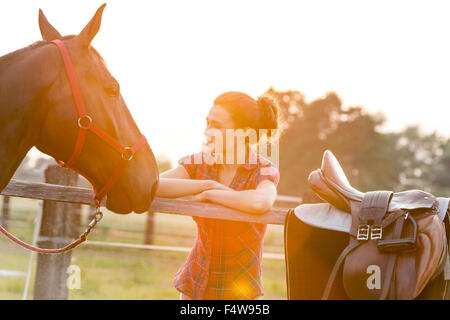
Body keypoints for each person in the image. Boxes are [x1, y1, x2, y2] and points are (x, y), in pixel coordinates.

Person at [155, 91, 281, 300]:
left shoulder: (263, 169)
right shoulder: (199, 163)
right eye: (207, 123)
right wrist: (207, 184)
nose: (207, 131)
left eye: (217, 126)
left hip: (241, 291)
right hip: (196, 284)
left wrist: (212, 194)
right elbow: (154, 186)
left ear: (243, 133)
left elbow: (260, 202)